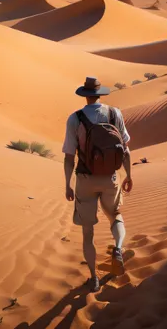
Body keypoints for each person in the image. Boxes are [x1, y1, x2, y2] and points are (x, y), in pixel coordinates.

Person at [63, 77, 133, 292]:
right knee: (115, 216)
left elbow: (69, 156)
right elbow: (126, 148)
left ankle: (93, 278)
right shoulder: (115, 114)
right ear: (100, 93)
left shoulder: (76, 118)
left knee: (88, 232)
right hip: (110, 177)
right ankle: (118, 249)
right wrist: (128, 175)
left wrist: (68, 184)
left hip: (85, 179)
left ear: (85, 95)